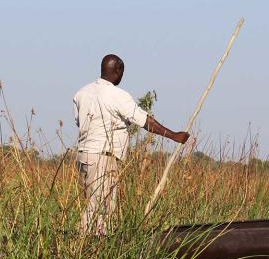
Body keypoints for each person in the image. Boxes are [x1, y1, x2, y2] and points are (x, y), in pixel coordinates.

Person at [72, 54, 189, 234]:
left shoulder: (81, 93)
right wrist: (174, 136)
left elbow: (81, 122)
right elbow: (144, 121)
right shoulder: (117, 95)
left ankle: (86, 243)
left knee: (93, 203)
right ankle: (91, 244)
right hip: (103, 157)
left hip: (83, 156)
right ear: (118, 72)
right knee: (102, 207)